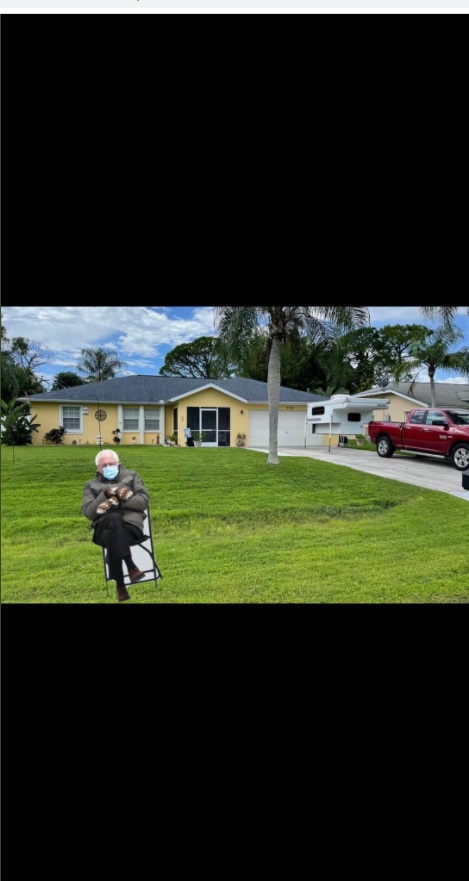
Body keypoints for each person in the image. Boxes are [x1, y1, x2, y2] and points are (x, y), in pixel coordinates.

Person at [82, 449, 150, 602]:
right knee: (112, 520)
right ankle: (131, 566)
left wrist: (115, 503)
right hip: (102, 527)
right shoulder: (90, 486)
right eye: (104, 465)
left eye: (111, 464)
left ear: (118, 463)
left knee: (111, 529)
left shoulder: (132, 476)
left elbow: (144, 501)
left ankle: (120, 586)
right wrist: (105, 494)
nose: (108, 467)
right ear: (98, 468)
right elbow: (89, 513)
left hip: (130, 528)